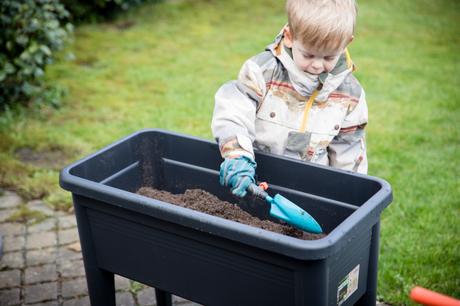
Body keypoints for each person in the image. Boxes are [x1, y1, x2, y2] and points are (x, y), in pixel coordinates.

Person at [212, 0, 368, 197]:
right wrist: (237, 155)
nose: (318, 65)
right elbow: (233, 112)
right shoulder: (263, 73)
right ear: (289, 37)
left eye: (329, 57)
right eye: (309, 55)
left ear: (346, 43)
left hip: (310, 189)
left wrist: (350, 193)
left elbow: (349, 149)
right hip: (255, 180)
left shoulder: (350, 95)